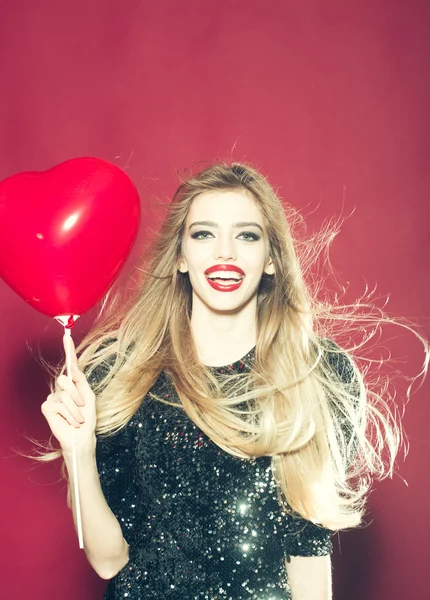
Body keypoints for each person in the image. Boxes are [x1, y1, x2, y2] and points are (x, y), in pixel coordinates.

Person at [40, 162, 421, 600]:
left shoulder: (319, 373)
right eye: (204, 234)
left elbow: (309, 558)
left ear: (272, 258)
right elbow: (109, 560)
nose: (226, 253)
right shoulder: (121, 373)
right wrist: (79, 452)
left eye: (247, 235)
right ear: (180, 256)